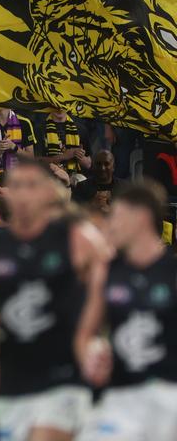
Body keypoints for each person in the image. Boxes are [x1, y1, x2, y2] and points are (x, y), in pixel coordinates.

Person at [0, 158, 107, 441]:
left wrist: (90, 335)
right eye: (17, 186)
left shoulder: (78, 239)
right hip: (12, 379)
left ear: (48, 193)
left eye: (32, 185)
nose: (23, 193)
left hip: (63, 376)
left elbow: (107, 289)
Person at [79, 182, 177, 440]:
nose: (113, 224)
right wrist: (90, 357)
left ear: (142, 217)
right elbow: (85, 334)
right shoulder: (107, 271)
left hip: (170, 393)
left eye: (118, 216)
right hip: (122, 394)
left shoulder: (172, 272)